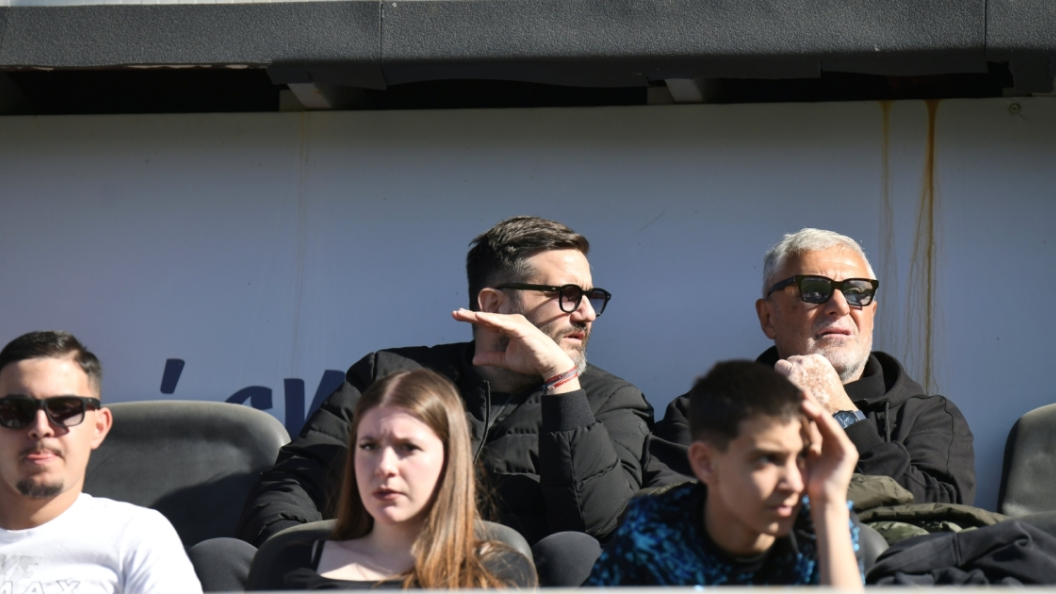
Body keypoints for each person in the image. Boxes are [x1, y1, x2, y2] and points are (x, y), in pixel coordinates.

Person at [237, 216, 652, 582]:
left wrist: (561, 382)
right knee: (225, 556)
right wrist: (305, 568)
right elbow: (293, 484)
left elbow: (597, 537)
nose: (586, 314)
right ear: (493, 303)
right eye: (567, 295)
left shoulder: (610, 399)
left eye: (591, 297)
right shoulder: (388, 374)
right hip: (381, 581)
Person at [649, 228, 975, 504]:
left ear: (871, 315)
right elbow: (667, 516)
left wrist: (843, 415)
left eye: (856, 292)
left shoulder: (928, 417)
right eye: (814, 290)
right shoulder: (702, 413)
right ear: (768, 317)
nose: (840, 306)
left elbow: (941, 519)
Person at [589, 361, 862, 588]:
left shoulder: (820, 524)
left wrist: (830, 504)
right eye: (767, 459)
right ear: (706, 463)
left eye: (802, 458)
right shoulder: (655, 530)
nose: (792, 482)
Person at [270, 369, 535, 589]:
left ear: (449, 460)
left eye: (408, 447)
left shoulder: (498, 573)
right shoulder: (291, 564)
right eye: (369, 446)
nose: (384, 467)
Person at [0, 330, 202, 594]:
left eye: (65, 409)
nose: (40, 428)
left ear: (98, 427)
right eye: (16, 411)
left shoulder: (137, 537)